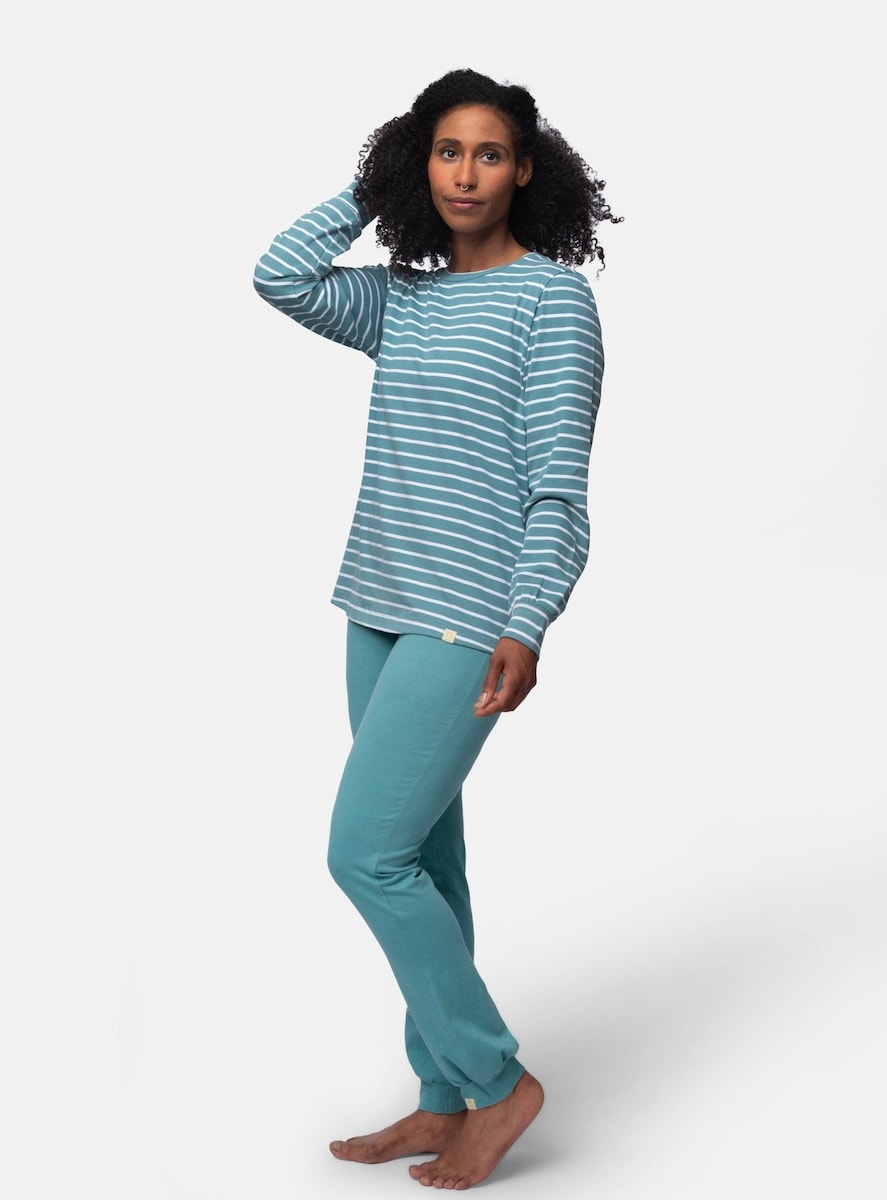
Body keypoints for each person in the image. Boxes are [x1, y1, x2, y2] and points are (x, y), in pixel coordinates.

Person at [253, 66, 619, 1190]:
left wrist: (529, 622)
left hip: (468, 616)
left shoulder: (552, 301)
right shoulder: (401, 300)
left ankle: (498, 1082)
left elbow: (557, 491)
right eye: (446, 152)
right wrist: (374, 187)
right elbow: (279, 274)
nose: (466, 174)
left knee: (364, 853)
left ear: (527, 171)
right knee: (422, 857)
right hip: (377, 605)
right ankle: (443, 1096)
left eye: (489, 153)